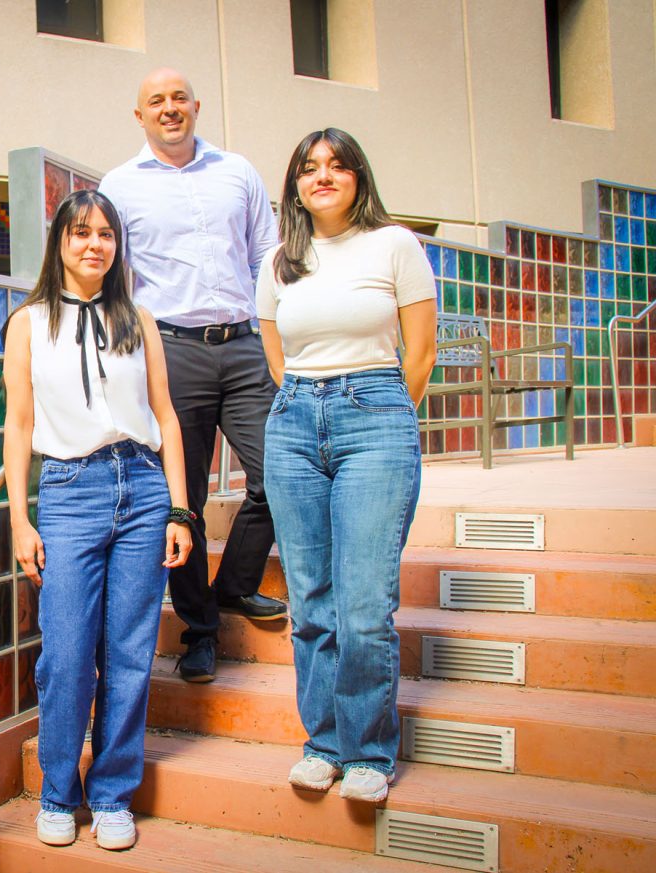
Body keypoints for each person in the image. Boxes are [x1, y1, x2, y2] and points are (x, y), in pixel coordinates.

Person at [2, 189, 192, 849]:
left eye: (106, 233)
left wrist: (180, 507)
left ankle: (112, 793)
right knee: (67, 653)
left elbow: (166, 415)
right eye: (81, 232)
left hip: (141, 485)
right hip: (69, 490)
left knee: (130, 653)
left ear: (117, 245)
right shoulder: (29, 322)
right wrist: (20, 520)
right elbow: (20, 423)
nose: (94, 244)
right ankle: (59, 791)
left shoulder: (138, 317)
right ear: (59, 241)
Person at [256, 128, 438, 803]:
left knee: (363, 603)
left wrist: (383, 412)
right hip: (296, 422)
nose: (322, 176)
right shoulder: (279, 259)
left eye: (336, 165)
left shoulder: (394, 244)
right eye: (309, 168)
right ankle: (323, 741)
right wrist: (308, 398)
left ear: (359, 176)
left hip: (376, 417)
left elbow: (419, 352)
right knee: (310, 600)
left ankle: (367, 748)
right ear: (295, 185)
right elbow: (276, 351)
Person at [98, 67, 285, 685]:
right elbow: (112, 279)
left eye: (179, 98)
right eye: (157, 100)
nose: (170, 108)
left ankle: (233, 585)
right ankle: (200, 630)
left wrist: (277, 333)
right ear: (139, 115)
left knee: (279, 474)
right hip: (172, 350)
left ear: (196, 106)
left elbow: (268, 256)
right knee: (186, 498)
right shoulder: (120, 187)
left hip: (245, 344)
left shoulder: (238, 172)